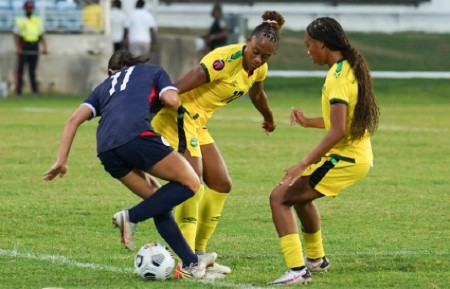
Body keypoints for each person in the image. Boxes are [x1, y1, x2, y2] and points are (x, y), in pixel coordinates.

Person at [42, 49, 217, 279]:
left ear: (112, 71)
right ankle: (130, 217)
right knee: (191, 182)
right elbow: (171, 99)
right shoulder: (152, 70)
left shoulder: (104, 87)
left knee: (159, 203)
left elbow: (74, 120)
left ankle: (191, 264)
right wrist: (175, 103)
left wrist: (61, 160)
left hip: (106, 148)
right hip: (138, 136)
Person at [151, 11, 285, 276]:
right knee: (192, 184)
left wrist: (269, 118)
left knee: (222, 184)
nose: (258, 59)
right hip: (180, 114)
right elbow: (177, 87)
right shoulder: (224, 59)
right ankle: (186, 262)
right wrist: (143, 112)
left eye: (265, 56)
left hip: (198, 122)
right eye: (255, 51)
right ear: (248, 41)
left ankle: (199, 255)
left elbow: (257, 93)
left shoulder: (259, 68)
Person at [268, 17, 380, 285]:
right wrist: (308, 122)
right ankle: (316, 260)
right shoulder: (345, 69)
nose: (308, 51)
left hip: (346, 158)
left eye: (308, 45)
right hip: (355, 154)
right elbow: (340, 122)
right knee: (300, 199)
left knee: (279, 198)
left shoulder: (339, 76)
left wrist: (301, 163)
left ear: (321, 44)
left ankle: (297, 269)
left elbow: (338, 131)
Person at [13, 1, 47, 95]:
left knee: (32, 70)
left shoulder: (37, 20)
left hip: (34, 45)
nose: (29, 10)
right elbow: (15, 34)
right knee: (21, 69)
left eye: (31, 8)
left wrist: (44, 47)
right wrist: (18, 48)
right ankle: (18, 90)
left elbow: (41, 35)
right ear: (25, 9)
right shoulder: (20, 20)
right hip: (24, 44)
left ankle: (34, 90)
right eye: (28, 8)